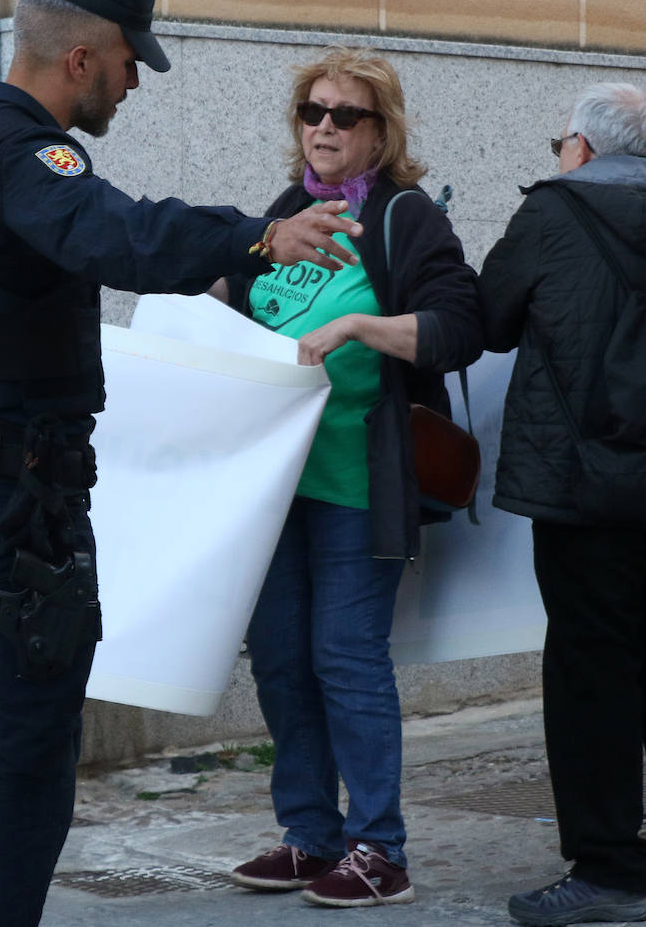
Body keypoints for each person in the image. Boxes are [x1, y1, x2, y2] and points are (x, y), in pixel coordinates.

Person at [0, 0, 366, 927]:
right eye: (130, 60)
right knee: (33, 762)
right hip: (12, 506)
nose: (136, 80)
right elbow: (122, 238)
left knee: (11, 746)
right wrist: (259, 235)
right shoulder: (27, 160)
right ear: (82, 59)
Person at [479, 83, 646, 925]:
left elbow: (492, 318)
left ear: (583, 148)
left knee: (591, 678)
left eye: (558, 141)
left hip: (584, 488)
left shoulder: (553, 213)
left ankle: (611, 871)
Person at [218, 47, 480, 908]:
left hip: (357, 482)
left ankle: (380, 849)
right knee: (282, 661)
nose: (324, 127)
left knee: (345, 657)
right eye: (312, 112)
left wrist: (366, 327)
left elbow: (460, 325)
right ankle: (308, 837)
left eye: (346, 115)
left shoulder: (405, 220)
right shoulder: (287, 213)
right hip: (273, 489)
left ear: (380, 133)